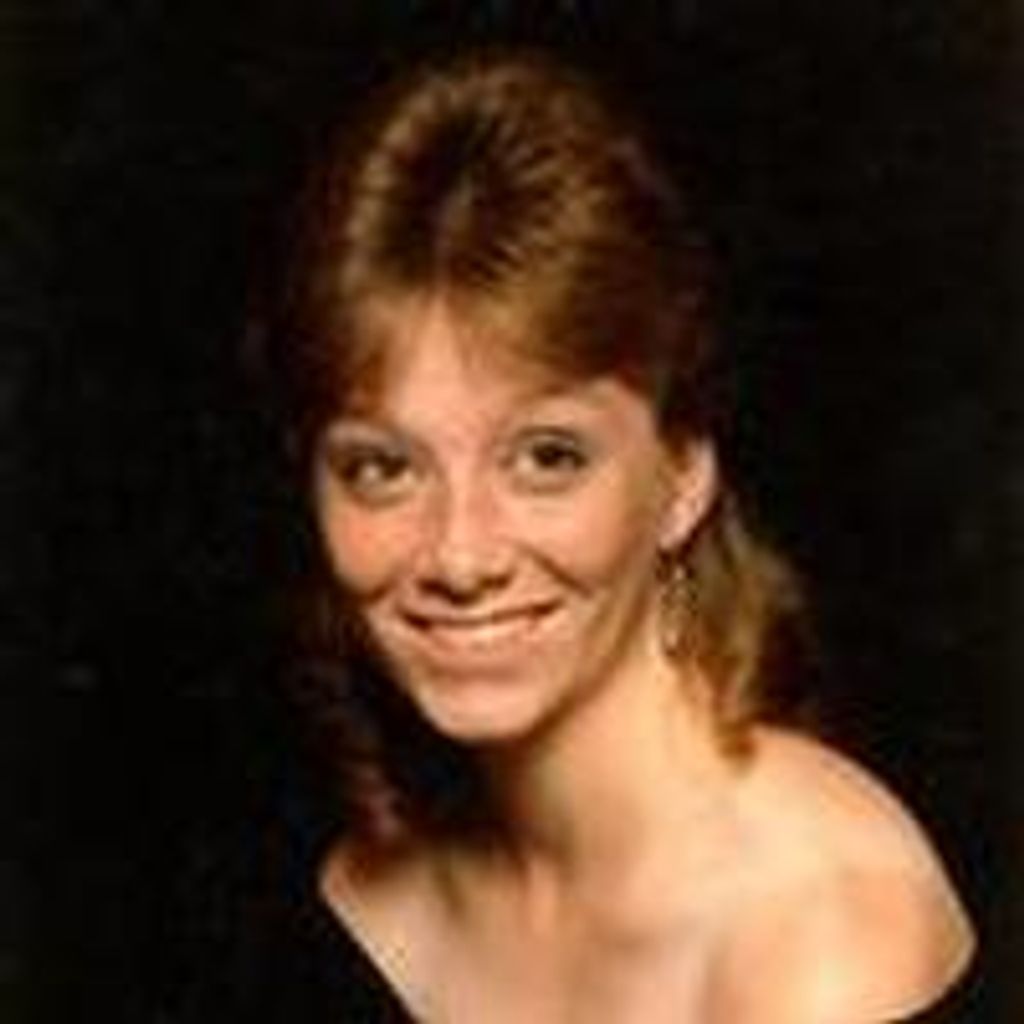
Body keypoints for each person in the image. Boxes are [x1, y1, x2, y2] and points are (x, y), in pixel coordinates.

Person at [240, 47, 975, 1023]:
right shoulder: (373, 902)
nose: (461, 556)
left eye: (547, 457)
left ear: (682, 476)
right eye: (383, 468)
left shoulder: (824, 937)